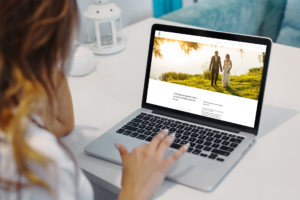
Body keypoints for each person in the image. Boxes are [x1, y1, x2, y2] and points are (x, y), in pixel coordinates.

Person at [0, 1, 188, 200]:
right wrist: (133, 191)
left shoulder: (13, 111)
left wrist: (50, 61)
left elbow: (63, 125)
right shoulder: (38, 161)